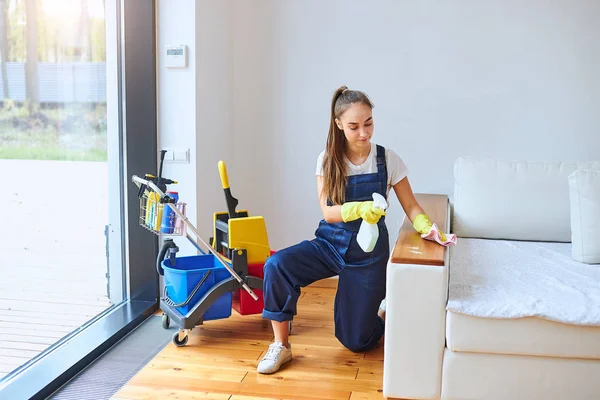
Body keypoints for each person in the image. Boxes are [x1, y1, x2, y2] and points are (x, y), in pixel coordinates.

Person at [256, 85, 446, 374]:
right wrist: (358, 209)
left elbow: (412, 207)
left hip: (368, 254)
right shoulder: (328, 159)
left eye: (368, 123)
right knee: (277, 265)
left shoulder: (386, 159)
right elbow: (328, 212)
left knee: (357, 342)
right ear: (339, 124)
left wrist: (427, 227)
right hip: (330, 243)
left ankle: (383, 307)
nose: (364, 133)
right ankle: (281, 345)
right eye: (354, 126)